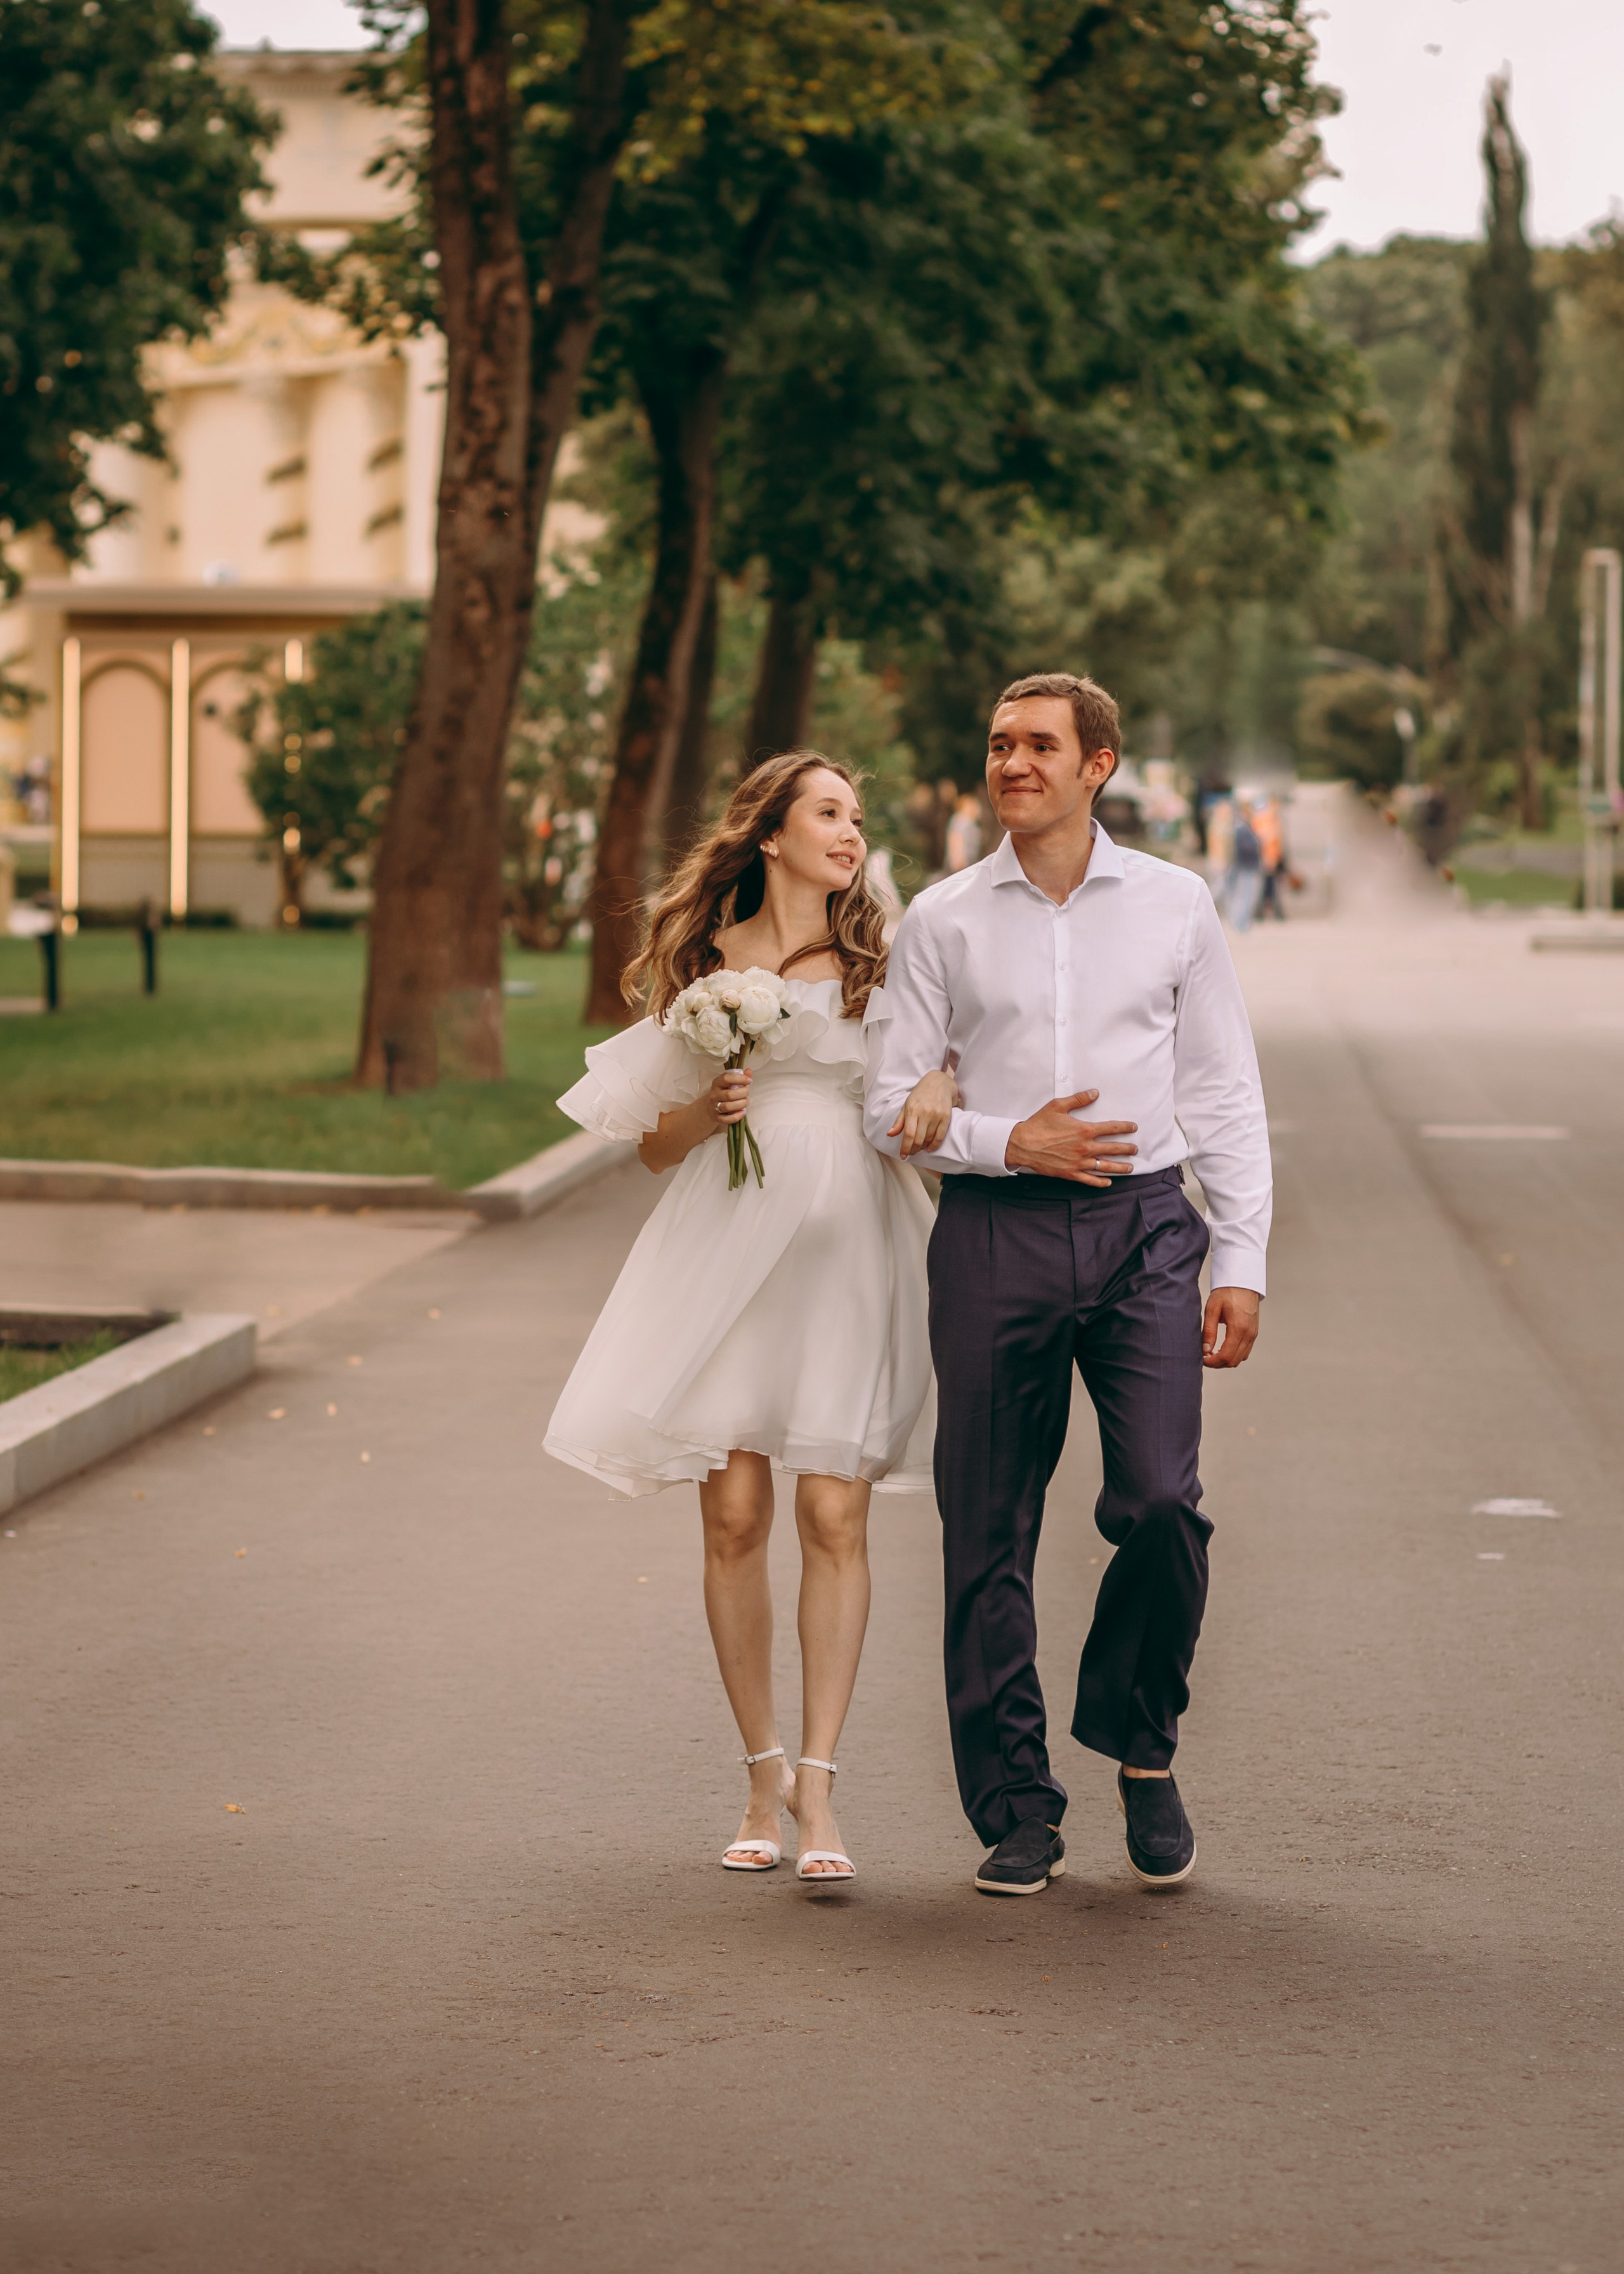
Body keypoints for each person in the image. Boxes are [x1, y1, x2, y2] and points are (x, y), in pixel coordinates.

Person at [865, 672, 1271, 1896]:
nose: (1012, 762)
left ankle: (1143, 1748)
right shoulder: (939, 920)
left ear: (1098, 763)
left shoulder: (1175, 904)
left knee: (1159, 1499)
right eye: (998, 743)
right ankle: (1017, 1806)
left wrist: (1239, 1254)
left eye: (1039, 744)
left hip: (1149, 1227)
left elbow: (1221, 1087)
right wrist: (1006, 1142)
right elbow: (888, 1104)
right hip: (992, 1232)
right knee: (987, 1523)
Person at [545, 752, 955, 1888]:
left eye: (858, 817)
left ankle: (822, 1785)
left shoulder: (887, 952)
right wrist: (705, 1104)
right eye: (829, 812)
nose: (852, 832)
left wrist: (940, 1090)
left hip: (849, 1256)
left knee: (832, 1509)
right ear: (769, 834)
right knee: (732, 1513)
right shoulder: (707, 963)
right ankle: (761, 1772)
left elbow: (949, 1066)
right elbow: (653, 1145)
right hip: (727, 1243)